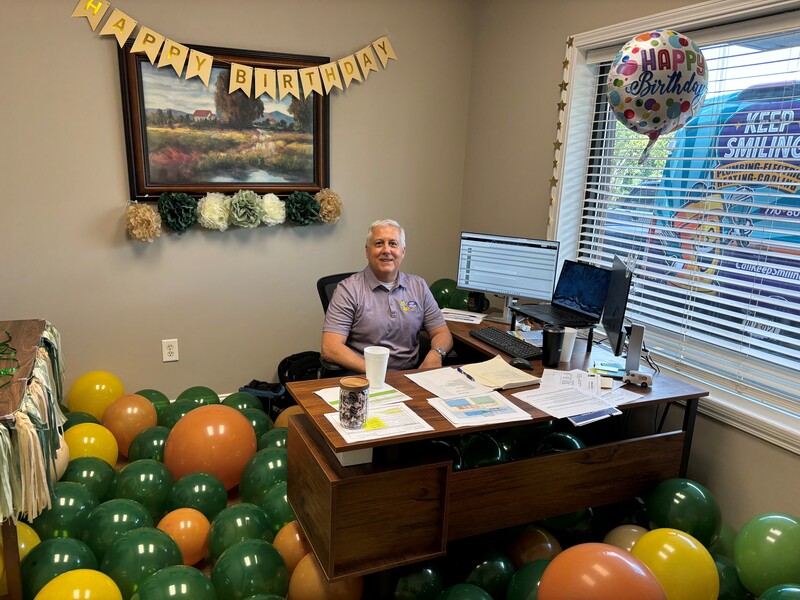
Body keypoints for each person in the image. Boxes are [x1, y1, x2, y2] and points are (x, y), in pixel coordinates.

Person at [322, 219, 453, 373]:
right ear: (367, 251)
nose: (386, 250)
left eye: (393, 243)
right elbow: (330, 348)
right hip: (364, 376)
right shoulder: (348, 290)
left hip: (411, 375)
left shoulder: (418, 286)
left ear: (402, 252)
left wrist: (436, 354)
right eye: (378, 243)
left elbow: (442, 333)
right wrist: (375, 371)